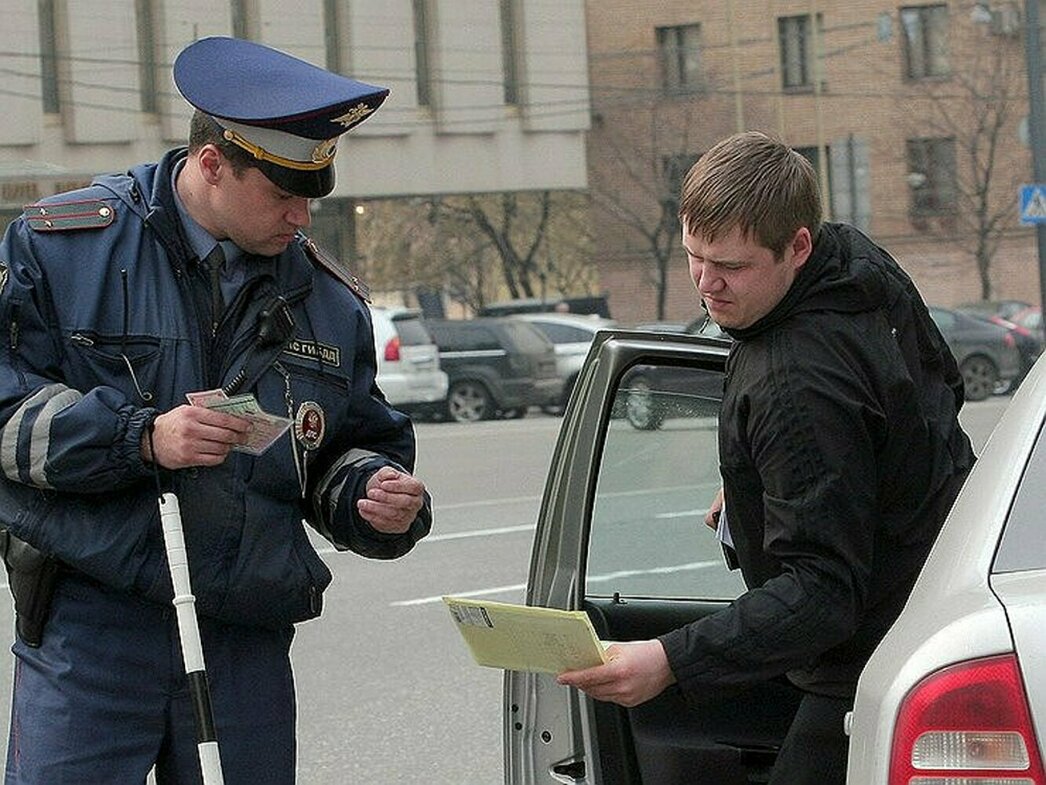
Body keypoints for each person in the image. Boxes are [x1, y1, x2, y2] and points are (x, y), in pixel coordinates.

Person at [0, 37, 432, 784]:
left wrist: (372, 495)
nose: (301, 215)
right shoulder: (63, 250)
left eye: (312, 192)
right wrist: (140, 438)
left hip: (242, 635)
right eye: (281, 192)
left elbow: (345, 444)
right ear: (210, 164)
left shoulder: (327, 302)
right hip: (93, 628)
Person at [557, 131, 975, 784]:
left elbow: (821, 596)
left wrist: (668, 659)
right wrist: (776, 483)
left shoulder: (794, 383)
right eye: (694, 256)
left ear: (797, 245)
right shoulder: (855, 262)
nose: (706, 283)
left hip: (865, 664)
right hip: (943, 598)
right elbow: (940, 388)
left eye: (731, 265)